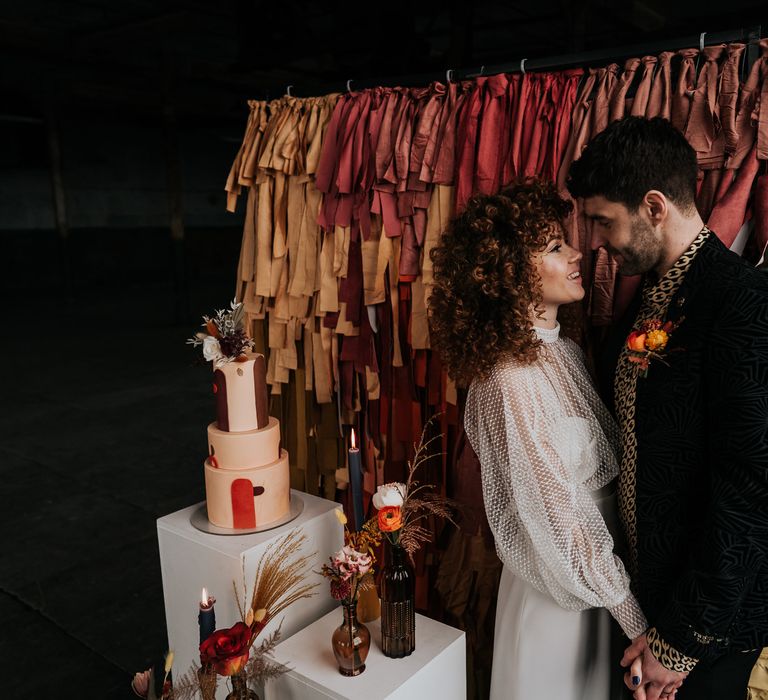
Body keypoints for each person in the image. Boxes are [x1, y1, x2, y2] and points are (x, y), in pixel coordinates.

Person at [567, 115, 768, 700]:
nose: (599, 240)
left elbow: (751, 490)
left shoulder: (742, 300)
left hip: (710, 622)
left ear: (654, 206)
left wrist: (679, 638)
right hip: (648, 598)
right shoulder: (653, 292)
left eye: (605, 221)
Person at [428, 179, 648, 700]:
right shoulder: (509, 378)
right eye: (554, 247)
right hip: (556, 596)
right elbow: (557, 514)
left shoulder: (564, 352)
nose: (578, 253)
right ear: (508, 273)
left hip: (599, 586)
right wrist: (635, 618)